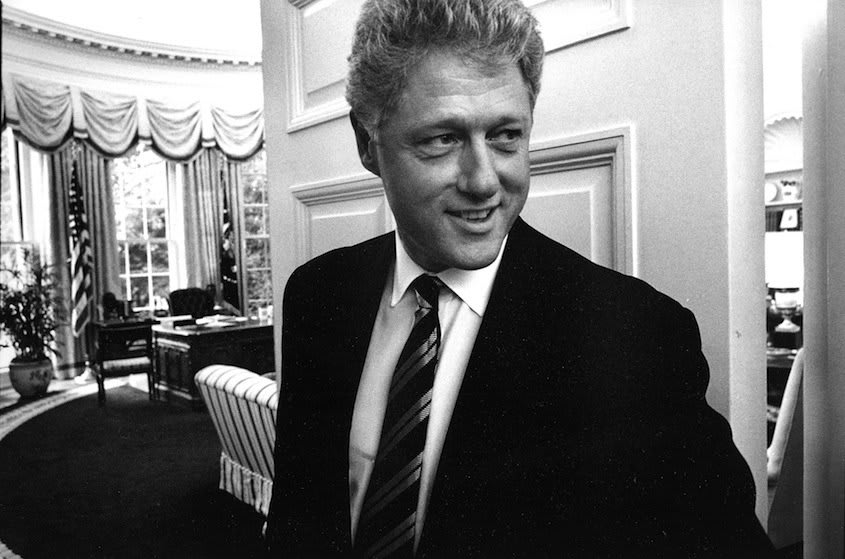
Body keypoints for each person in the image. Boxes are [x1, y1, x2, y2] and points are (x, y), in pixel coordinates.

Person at [265, 0, 775, 557]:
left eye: (507, 135)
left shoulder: (637, 336)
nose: (485, 181)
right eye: (442, 139)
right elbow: (300, 516)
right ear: (368, 144)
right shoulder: (320, 294)